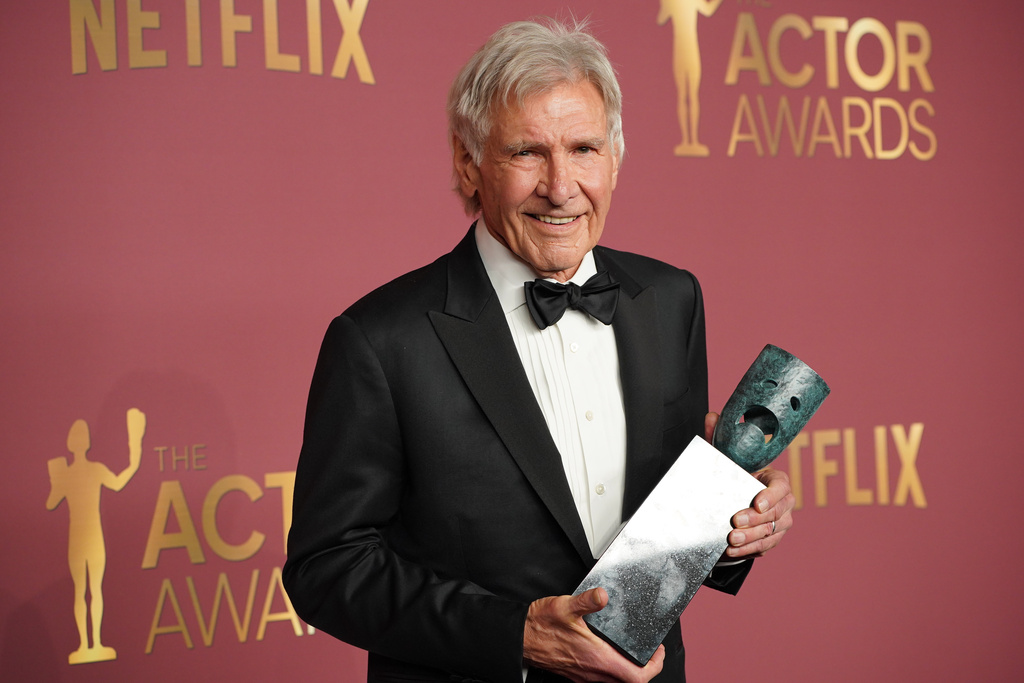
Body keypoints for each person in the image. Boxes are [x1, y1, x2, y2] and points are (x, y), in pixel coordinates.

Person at [282, 18, 794, 683]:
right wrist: (515, 634)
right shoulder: (380, 339)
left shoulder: (669, 299)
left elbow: (668, 538)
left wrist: (736, 529)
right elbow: (327, 567)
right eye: (528, 152)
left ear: (615, 158)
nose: (560, 186)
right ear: (470, 164)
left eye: (583, 148)